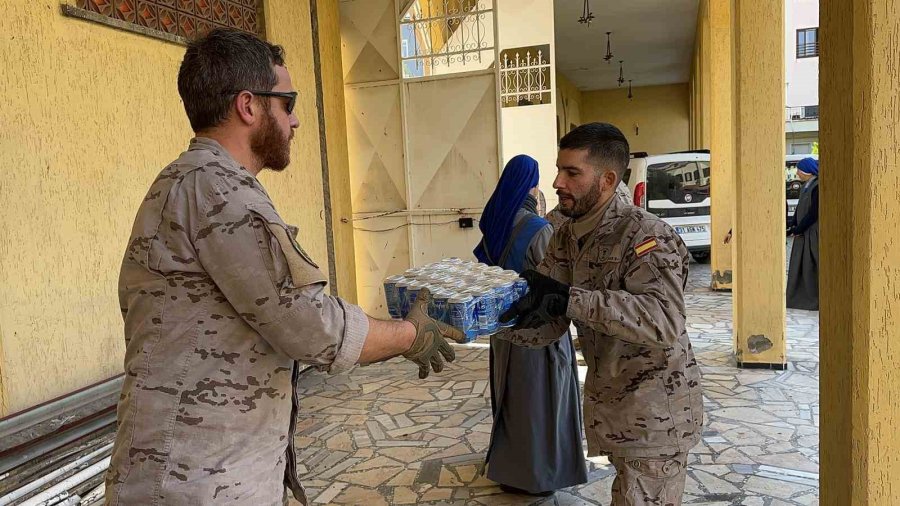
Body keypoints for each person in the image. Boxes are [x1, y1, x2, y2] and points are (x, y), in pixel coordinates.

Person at [105, 29, 463, 505]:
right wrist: (409, 334)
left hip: (199, 470)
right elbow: (308, 324)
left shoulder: (192, 182)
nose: (294, 122)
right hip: (196, 481)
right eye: (287, 103)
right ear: (249, 107)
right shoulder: (220, 193)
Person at [498, 123, 703, 506]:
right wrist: (493, 322)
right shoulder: (565, 232)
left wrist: (568, 298)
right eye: (558, 169)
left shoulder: (646, 236)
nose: (557, 182)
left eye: (572, 173)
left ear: (607, 179)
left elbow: (663, 320)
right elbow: (549, 317)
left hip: (656, 411)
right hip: (612, 403)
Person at [473, 155, 587, 496]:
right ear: (531, 184)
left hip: (504, 331)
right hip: (539, 331)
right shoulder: (538, 229)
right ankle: (540, 475)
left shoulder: (493, 222)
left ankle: (510, 469)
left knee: (511, 399)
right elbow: (553, 279)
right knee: (541, 402)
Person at [786, 157, 820, 310]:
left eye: (799, 170)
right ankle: (799, 299)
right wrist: (793, 225)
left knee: (811, 266)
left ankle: (813, 300)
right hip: (803, 234)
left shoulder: (817, 187)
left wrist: (799, 229)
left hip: (812, 234)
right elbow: (800, 208)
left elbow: (814, 213)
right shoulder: (805, 186)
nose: (797, 173)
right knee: (801, 267)